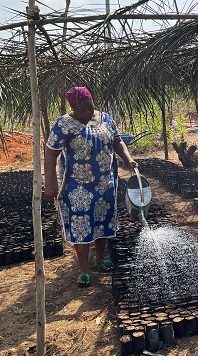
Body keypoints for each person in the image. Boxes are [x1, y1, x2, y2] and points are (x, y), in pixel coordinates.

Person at [44, 87, 138, 287]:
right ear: (74, 108)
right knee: (81, 227)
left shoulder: (105, 119)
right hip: (78, 187)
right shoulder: (64, 124)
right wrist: (50, 184)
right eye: (81, 110)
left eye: (89, 108)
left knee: (103, 223)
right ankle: (84, 270)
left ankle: (101, 259)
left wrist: (128, 159)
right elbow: (51, 153)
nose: (87, 113)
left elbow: (117, 141)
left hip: (105, 184)